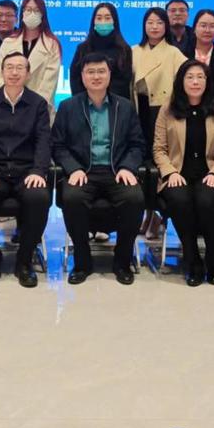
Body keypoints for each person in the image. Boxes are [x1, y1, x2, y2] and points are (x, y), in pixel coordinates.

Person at [52, 53, 147, 285]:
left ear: (109, 75)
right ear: (82, 77)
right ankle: (82, 262)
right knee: (72, 198)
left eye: (101, 71)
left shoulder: (125, 107)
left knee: (134, 198)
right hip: (83, 171)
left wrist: (127, 167)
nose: (96, 76)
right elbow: (57, 145)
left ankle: (122, 262)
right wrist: (73, 168)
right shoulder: (68, 107)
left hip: (116, 171)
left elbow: (137, 145)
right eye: (91, 72)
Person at [0, 52, 52, 289]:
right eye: (9, 67)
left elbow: (43, 141)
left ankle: (24, 261)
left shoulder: (38, 104)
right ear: (1, 71)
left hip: (26, 172)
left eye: (20, 68)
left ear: (28, 74)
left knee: (39, 197)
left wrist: (38, 171)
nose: (14, 72)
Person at [153, 60, 214, 286]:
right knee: (180, 200)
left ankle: (212, 256)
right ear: (181, 81)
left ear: (207, 82)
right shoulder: (168, 110)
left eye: (200, 77)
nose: (195, 82)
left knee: (207, 201)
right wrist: (169, 173)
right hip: (178, 173)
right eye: (190, 77)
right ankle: (192, 258)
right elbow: (159, 149)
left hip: (209, 173)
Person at [0, 0, 62, 116]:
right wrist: (9, 103)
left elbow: (48, 86)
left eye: (36, 11)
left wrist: (30, 110)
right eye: (28, 10)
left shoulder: (52, 45)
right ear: (22, 13)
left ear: (43, 15)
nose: (32, 14)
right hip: (7, 110)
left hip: (39, 113)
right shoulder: (8, 42)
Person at [132, 6, 187, 150]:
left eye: (159, 22)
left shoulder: (174, 52)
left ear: (166, 26)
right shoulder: (134, 51)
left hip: (162, 105)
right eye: (150, 22)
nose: (154, 27)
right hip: (139, 104)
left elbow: (184, 79)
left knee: (160, 144)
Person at [68, 2, 134, 101]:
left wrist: (104, 100)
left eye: (107, 18)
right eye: (99, 18)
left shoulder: (124, 50)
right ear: (93, 22)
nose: (103, 22)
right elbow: (75, 79)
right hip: (85, 104)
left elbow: (124, 83)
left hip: (115, 105)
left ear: (114, 21)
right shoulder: (82, 49)